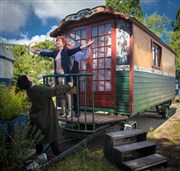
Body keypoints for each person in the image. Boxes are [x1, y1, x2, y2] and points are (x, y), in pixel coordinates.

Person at [31, 36, 93, 117]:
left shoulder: (68, 52)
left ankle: (72, 112)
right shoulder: (55, 52)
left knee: (70, 93)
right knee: (61, 93)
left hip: (68, 75)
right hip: (58, 76)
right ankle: (64, 111)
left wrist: (87, 46)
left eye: (59, 41)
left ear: (63, 43)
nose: (57, 42)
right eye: (56, 41)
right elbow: (47, 53)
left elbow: (78, 49)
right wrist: (38, 52)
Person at [17, 75, 75, 157]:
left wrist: (49, 87)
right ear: (28, 81)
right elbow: (55, 91)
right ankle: (58, 154)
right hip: (45, 115)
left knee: (38, 136)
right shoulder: (38, 89)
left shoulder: (29, 90)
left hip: (36, 115)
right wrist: (69, 85)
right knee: (52, 134)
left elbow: (44, 92)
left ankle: (39, 154)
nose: (29, 76)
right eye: (27, 76)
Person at [67, 38, 92, 117]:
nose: (68, 45)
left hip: (74, 76)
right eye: (67, 44)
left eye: (69, 43)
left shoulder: (76, 54)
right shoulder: (64, 53)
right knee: (66, 93)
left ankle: (77, 111)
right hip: (66, 76)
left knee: (75, 94)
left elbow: (86, 56)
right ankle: (68, 111)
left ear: (74, 45)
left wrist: (88, 47)